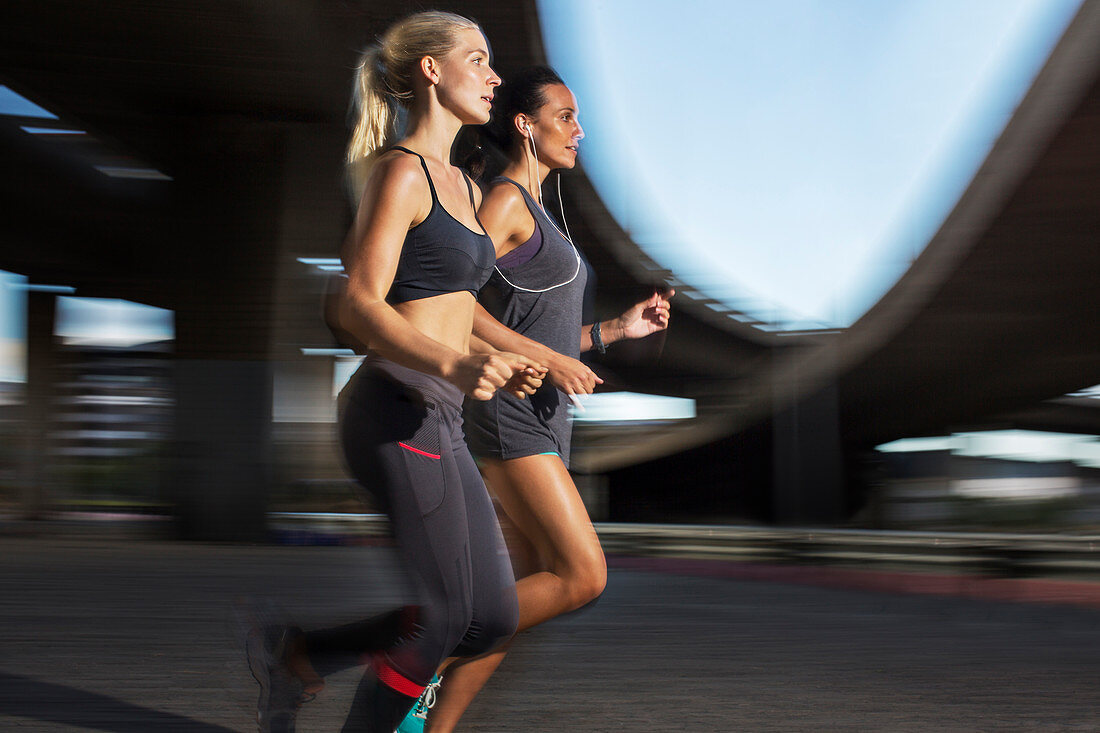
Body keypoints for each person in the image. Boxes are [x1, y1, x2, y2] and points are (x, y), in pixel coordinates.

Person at [242, 12, 546, 733]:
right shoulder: (401, 173)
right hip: (393, 405)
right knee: (442, 616)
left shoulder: (468, 189)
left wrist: (517, 355)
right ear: (431, 70)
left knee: (493, 613)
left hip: (439, 412)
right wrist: (455, 359)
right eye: (479, 59)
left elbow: (456, 306)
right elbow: (354, 304)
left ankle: (299, 655)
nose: (495, 75)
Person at [398, 66, 673, 732]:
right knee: (582, 573)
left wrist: (614, 329)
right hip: (508, 413)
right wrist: (545, 359)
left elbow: (539, 332)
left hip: (543, 419)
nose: (580, 130)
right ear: (526, 124)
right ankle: (418, 663)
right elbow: (450, 300)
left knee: (515, 599)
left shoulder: (542, 212)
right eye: (566, 116)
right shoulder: (506, 202)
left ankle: (428, 726)